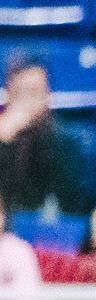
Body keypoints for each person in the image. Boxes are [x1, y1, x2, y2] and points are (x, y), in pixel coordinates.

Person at [0, 54, 90, 217]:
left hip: (45, 229)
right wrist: (4, 143)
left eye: (34, 92)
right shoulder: (2, 135)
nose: (28, 102)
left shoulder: (65, 140)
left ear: (47, 96)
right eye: (20, 93)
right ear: (8, 95)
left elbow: (69, 202)